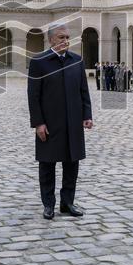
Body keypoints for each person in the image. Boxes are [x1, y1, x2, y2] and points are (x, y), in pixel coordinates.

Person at [27, 23, 93, 220]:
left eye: (67, 37)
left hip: (73, 122)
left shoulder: (77, 60)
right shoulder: (39, 62)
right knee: (47, 165)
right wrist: (38, 123)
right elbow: (33, 96)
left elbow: (84, 91)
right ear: (51, 40)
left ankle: (67, 202)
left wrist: (87, 115)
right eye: (61, 37)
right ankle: (48, 204)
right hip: (49, 123)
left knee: (71, 164)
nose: (65, 41)